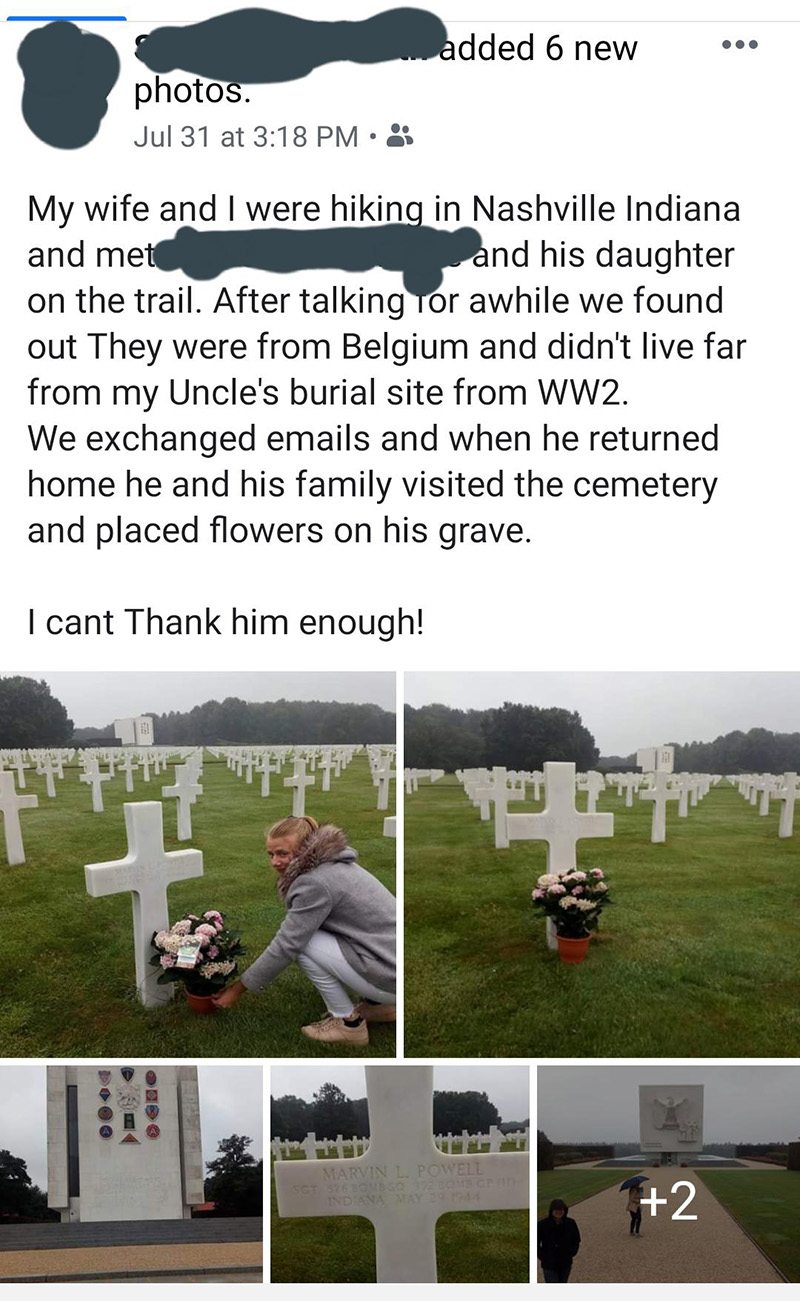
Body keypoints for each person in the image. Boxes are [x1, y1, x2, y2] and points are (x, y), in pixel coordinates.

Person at [211, 815, 396, 1044]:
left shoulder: (314, 882)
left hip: (389, 974)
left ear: (306, 849)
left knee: (303, 943)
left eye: (283, 853)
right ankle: (380, 1007)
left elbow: (286, 945)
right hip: (395, 963)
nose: (275, 862)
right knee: (308, 937)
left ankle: (348, 1025)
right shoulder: (335, 864)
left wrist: (237, 989)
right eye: (271, 854)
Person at [537, 1198, 581, 1283]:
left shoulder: (571, 1223)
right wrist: (543, 1256)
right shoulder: (542, 1224)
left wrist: (571, 1253)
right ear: (551, 1210)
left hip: (565, 1262)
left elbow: (576, 1240)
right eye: (556, 1209)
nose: (559, 1212)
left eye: (561, 1209)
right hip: (549, 1263)